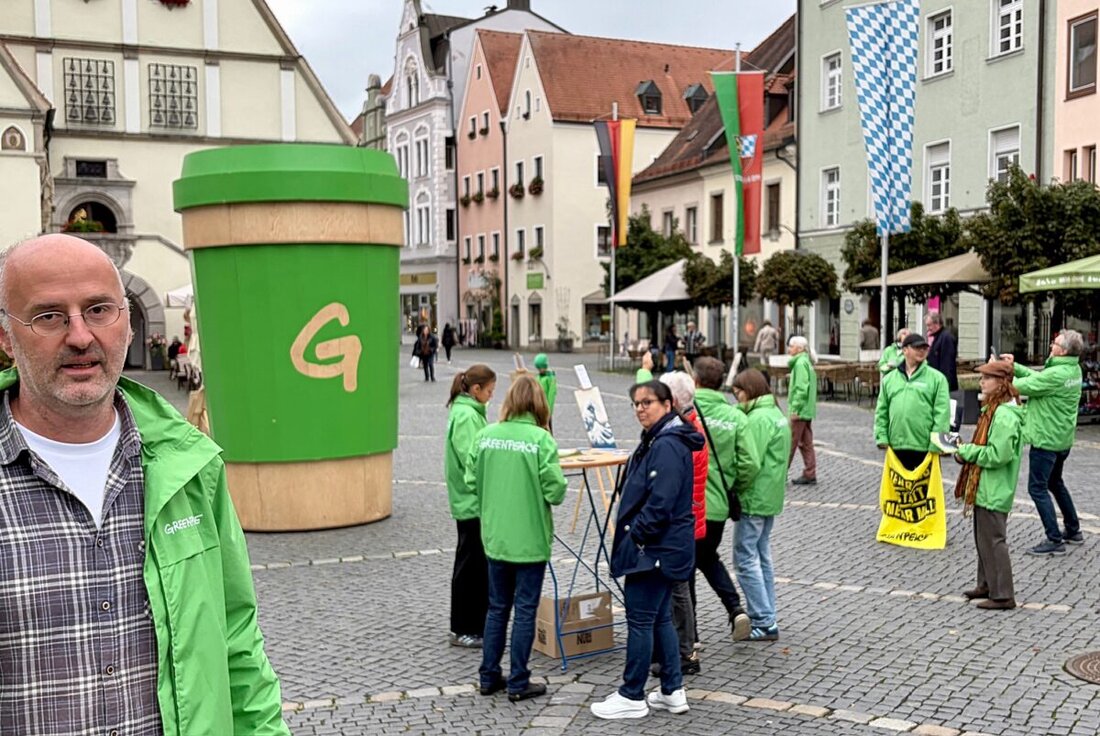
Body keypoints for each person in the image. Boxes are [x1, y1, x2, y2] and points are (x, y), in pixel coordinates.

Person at [0, 234, 288, 735]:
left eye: (99, 310)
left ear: (128, 324)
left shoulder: (189, 467)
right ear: (5, 338)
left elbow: (236, 641)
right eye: (49, 316)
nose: (80, 336)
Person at [590, 380, 702, 720]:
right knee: (660, 617)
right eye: (636, 403)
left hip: (655, 548)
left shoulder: (666, 444)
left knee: (640, 619)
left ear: (667, 405)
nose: (640, 408)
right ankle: (672, 690)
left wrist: (637, 537)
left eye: (647, 402)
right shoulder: (662, 438)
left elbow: (661, 502)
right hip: (663, 546)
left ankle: (632, 694)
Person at [466, 374, 566, 702]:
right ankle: (519, 680)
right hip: (530, 540)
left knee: (497, 608)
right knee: (524, 611)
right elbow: (555, 491)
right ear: (538, 404)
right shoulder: (540, 440)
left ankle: (488, 675)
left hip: (496, 537)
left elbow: (470, 480)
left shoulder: (485, 436)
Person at [1000, 329, 1085, 556]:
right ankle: (1073, 529)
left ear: (1063, 351)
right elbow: (1038, 378)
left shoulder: (1056, 374)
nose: (1051, 345)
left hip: (1046, 439)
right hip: (1062, 439)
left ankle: (1054, 539)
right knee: (1055, 482)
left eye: (1055, 343)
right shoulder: (1073, 369)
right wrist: (1014, 366)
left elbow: (1021, 386)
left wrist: (1000, 372)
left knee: (1037, 488)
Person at [953, 360, 1024, 611]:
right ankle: (986, 584)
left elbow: (997, 455)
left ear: (1001, 383)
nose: (981, 382)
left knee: (993, 540)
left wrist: (967, 451)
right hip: (986, 486)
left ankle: (1003, 594)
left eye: (987, 378)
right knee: (983, 539)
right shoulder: (994, 409)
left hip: (995, 487)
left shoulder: (1003, 414)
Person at [690, 357, 751, 642]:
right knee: (707, 556)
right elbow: (749, 462)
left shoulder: (686, 412)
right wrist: (734, 484)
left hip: (689, 506)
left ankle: (690, 634)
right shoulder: (735, 416)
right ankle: (735, 608)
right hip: (717, 506)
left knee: (686, 568)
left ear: (695, 380)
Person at [730, 369, 790, 642]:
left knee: (745, 558)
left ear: (749, 391)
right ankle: (768, 613)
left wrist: (736, 487)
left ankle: (764, 619)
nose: (737, 399)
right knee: (761, 555)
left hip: (754, 496)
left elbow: (749, 461)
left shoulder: (757, 419)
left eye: (738, 393)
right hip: (770, 495)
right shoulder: (775, 413)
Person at [444, 364, 497, 647]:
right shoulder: (466, 416)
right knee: (470, 565)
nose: (491, 395)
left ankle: (475, 624)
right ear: (476, 389)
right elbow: (472, 459)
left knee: (476, 564)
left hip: (475, 500)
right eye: (489, 390)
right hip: (470, 501)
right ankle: (463, 628)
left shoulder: (471, 412)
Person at [658, 372, 708, 675]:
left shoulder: (685, 433)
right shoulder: (689, 427)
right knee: (681, 586)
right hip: (689, 516)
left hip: (681, 520)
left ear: (673, 401)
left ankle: (685, 651)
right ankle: (683, 646)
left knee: (679, 588)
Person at [874, 333, 951, 471]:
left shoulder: (937, 379)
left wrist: (936, 444)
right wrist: (882, 437)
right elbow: (881, 411)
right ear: (905, 350)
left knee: (925, 486)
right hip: (896, 446)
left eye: (924, 348)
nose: (921, 351)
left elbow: (942, 414)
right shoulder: (889, 380)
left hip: (924, 447)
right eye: (917, 348)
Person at [787, 336, 818, 485]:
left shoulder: (800, 363)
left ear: (799, 348)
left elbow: (801, 388)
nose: (789, 349)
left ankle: (780, 473)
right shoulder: (806, 362)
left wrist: (796, 409)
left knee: (789, 443)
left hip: (800, 411)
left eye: (791, 346)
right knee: (806, 443)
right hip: (807, 409)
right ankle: (810, 472)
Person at [926, 311, 959, 427]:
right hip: (939, 383)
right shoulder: (939, 337)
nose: (928, 328)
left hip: (943, 384)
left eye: (929, 325)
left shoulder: (946, 338)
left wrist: (945, 385)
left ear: (937, 324)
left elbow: (947, 364)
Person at [533, 353, 557, 433]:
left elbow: (551, 395)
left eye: (541, 368)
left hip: (545, 409)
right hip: (538, 408)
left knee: (547, 431)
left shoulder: (550, 378)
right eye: (538, 368)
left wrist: (549, 411)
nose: (539, 370)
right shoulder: (538, 377)